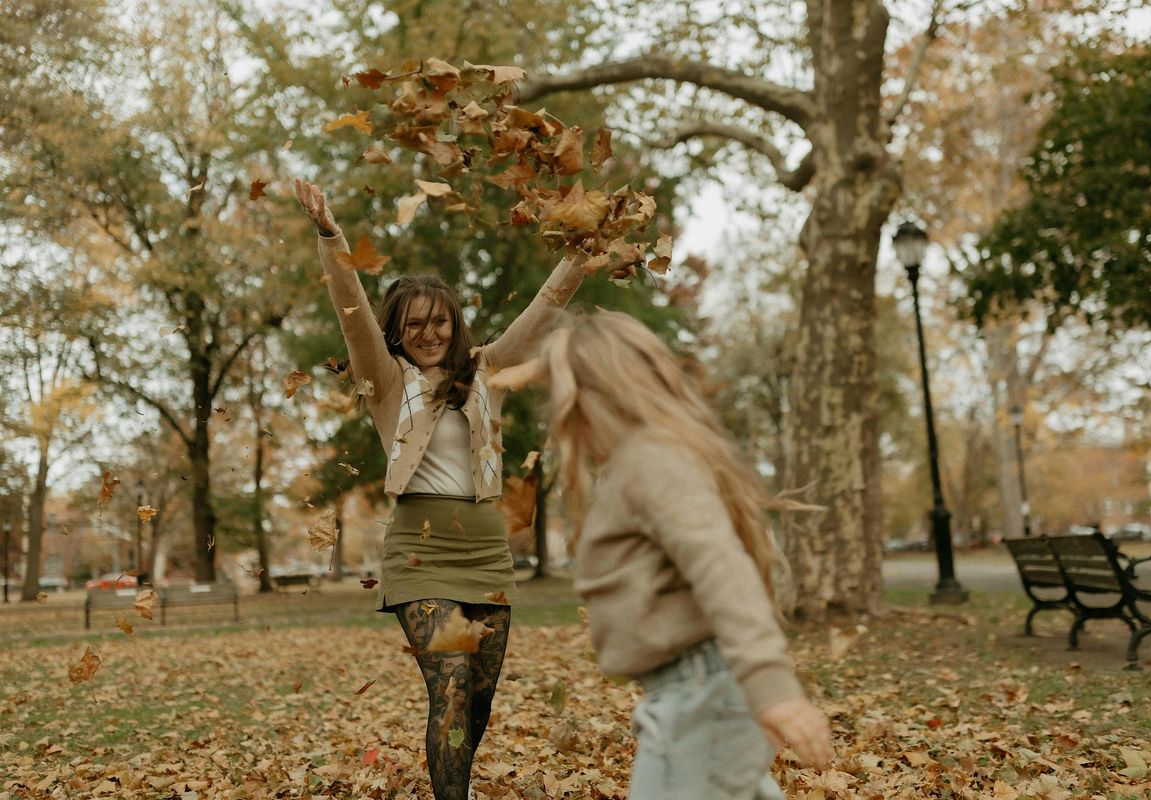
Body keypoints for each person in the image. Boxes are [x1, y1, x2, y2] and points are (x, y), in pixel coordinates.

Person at [294, 179, 591, 800]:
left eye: (439, 321)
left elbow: (540, 310)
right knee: (452, 681)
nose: (429, 332)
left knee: (476, 702)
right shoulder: (386, 380)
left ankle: (452, 779)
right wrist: (331, 236)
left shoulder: (488, 372)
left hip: (486, 557)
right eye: (414, 325)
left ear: (455, 324)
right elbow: (350, 311)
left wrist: (580, 253)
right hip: (421, 555)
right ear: (397, 334)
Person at [493, 309, 834, 799]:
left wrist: (772, 688)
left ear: (594, 400)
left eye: (566, 406)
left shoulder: (650, 461)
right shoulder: (644, 461)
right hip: (695, 693)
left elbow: (720, 564)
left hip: (701, 697)